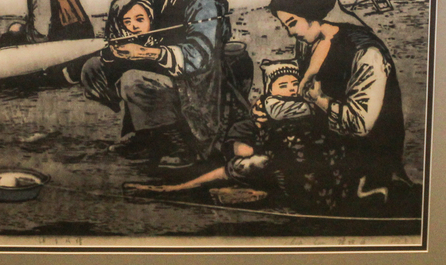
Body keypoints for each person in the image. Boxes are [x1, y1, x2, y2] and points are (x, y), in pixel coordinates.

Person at [81, 0, 231, 170]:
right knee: (94, 68)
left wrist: (147, 53)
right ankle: (146, 134)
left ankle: (180, 144)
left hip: (197, 83)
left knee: (135, 81)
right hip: (164, 71)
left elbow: (200, 55)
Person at [263, 0, 412, 212]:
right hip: (330, 145)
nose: (290, 32)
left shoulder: (366, 53)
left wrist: (320, 100)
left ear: (312, 12)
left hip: (365, 161)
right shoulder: (310, 44)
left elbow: (360, 124)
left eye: (292, 23)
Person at [123, 58, 322, 199]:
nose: (290, 89)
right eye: (283, 85)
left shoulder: (301, 107)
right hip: (268, 161)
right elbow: (243, 137)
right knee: (242, 165)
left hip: (297, 163)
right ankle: (175, 189)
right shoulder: (266, 109)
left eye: (294, 84)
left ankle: (255, 191)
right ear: (270, 89)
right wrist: (242, 144)